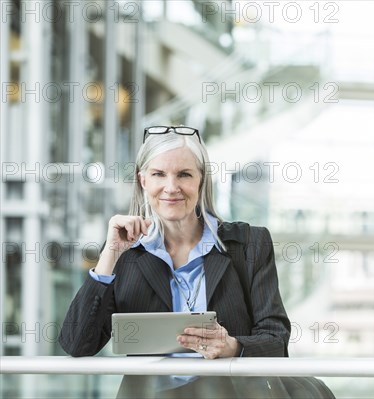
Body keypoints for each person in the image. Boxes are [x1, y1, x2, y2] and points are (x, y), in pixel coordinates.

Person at [59, 126, 293, 398]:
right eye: (158, 174)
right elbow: (77, 344)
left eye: (184, 174)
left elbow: (276, 340)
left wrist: (231, 346)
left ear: (201, 180)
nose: (171, 188)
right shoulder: (125, 252)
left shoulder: (249, 244)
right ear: (143, 181)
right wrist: (110, 253)